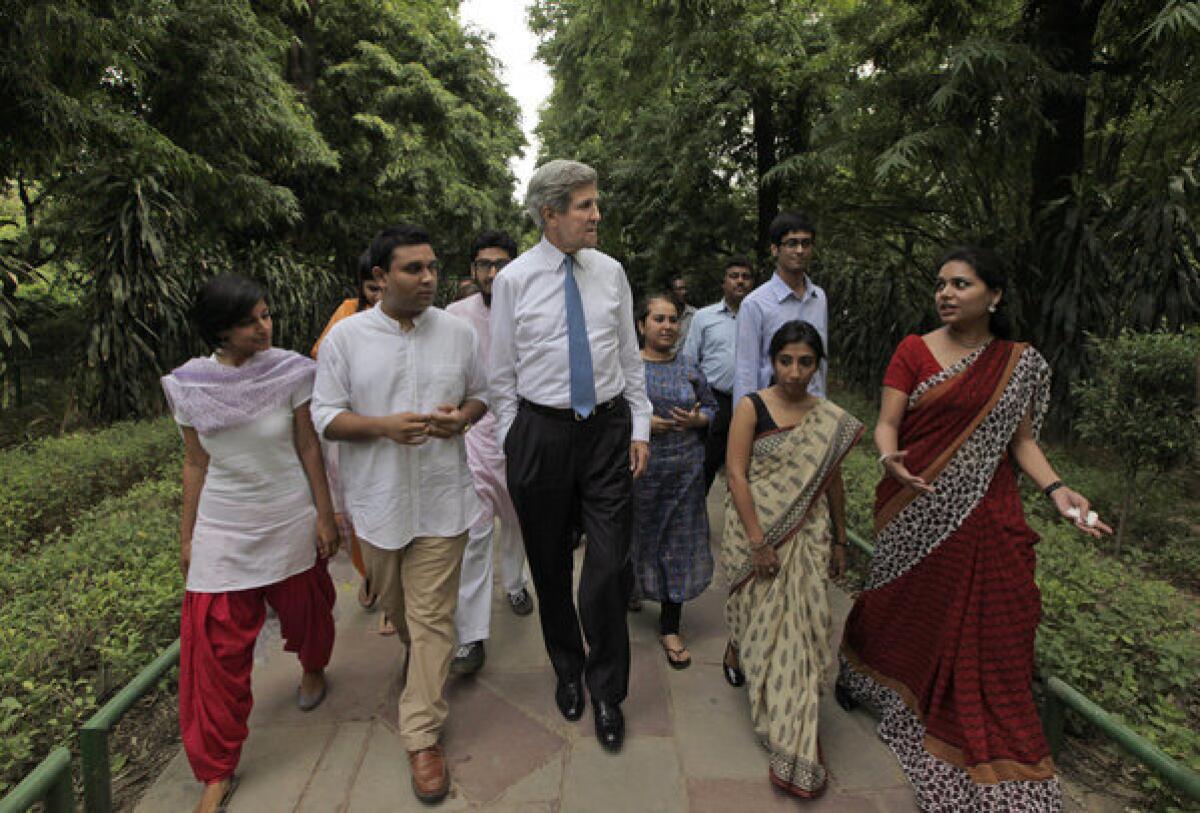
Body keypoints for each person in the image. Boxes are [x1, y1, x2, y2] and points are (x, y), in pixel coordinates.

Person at [837, 246, 1112, 812]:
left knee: (1002, 618)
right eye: (940, 284)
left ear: (995, 295)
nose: (945, 293)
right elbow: (888, 424)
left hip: (989, 515)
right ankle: (869, 680)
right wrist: (890, 460)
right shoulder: (913, 351)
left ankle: (980, 733)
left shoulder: (1018, 362)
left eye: (960, 284)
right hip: (913, 504)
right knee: (901, 606)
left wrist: (1059, 492)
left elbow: (1023, 441)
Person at [312, 224, 487, 804]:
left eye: (433, 266)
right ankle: (421, 664)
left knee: (434, 619)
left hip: (444, 498)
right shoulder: (347, 340)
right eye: (414, 269)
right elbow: (326, 416)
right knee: (404, 613)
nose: (429, 278)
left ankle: (421, 735)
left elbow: (483, 394)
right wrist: (382, 427)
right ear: (380, 278)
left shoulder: (459, 334)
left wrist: (460, 418)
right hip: (379, 506)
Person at [490, 159, 652, 753]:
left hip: (607, 431)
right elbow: (501, 375)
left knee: (607, 567)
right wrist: (515, 439)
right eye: (585, 205)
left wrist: (639, 427)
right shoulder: (513, 281)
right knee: (550, 565)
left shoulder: (610, 272)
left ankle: (608, 688)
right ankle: (567, 667)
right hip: (541, 434)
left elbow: (630, 359)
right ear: (549, 213)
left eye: (594, 203)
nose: (597, 215)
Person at [162, 274, 339, 813]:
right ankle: (217, 769)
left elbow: (309, 447)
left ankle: (312, 666)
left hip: (287, 515)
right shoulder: (187, 386)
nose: (264, 327)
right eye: (249, 321)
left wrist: (325, 516)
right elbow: (196, 462)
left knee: (307, 612)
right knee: (213, 649)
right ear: (220, 330)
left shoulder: (292, 371)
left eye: (266, 315)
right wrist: (189, 536)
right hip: (224, 524)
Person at [722, 319, 862, 798]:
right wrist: (759, 540)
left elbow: (834, 483)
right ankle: (741, 646)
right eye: (786, 361)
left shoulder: (828, 418)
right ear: (772, 361)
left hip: (809, 535)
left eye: (806, 362)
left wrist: (841, 540)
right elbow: (736, 476)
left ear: (817, 365)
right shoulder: (751, 407)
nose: (795, 372)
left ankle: (795, 740)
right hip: (755, 528)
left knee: (801, 632)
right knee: (756, 615)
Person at [446, 230, 534, 677]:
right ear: (473, 270)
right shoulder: (455, 316)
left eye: (501, 263)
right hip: (474, 437)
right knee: (476, 535)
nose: (493, 272)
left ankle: (516, 584)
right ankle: (470, 638)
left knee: (517, 522)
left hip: (523, 434)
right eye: (484, 264)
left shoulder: (530, 311)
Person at [310, 249, 395, 636]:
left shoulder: (412, 318)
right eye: (370, 288)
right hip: (351, 435)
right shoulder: (346, 321)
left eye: (383, 286)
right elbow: (322, 364)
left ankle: (393, 602)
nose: (379, 295)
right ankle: (370, 574)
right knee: (355, 515)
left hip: (394, 435)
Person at [633, 294, 717, 669]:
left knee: (678, 547)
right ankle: (631, 590)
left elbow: (712, 407)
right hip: (640, 474)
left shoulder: (690, 368)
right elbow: (609, 416)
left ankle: (670, 626)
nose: (667, 326)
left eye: (673, 320)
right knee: (636, 541)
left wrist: (699, 421)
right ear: (641, 325)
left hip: (685, 473)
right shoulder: (627, 370)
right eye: (659, 319)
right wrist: (642, 423)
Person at [732, 212, 828, 405]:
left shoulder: (819, 297)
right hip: (773, 413)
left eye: (806, 243)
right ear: (775, 249)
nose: (800, 250)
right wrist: (745, 423)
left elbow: (821, 364)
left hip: (813, 410)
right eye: (792, 243)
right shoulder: (755, 304)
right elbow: (746, 373)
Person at [682, 256, 754, 491]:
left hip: (753, 401)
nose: (740, 282)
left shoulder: (760, 316)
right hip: (715, 399)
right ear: (724, 282)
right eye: (734, 276)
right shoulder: (704, 317)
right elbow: (690, 361)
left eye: (745, 277)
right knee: (706, 463)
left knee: (748, 467)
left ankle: (742, 523)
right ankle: (694, 521)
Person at [668, 274, 696, 352]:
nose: (684, 292)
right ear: (671, 292)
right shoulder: (664, 314)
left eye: (684, 289)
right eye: (679, 289)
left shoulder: (695, 315)